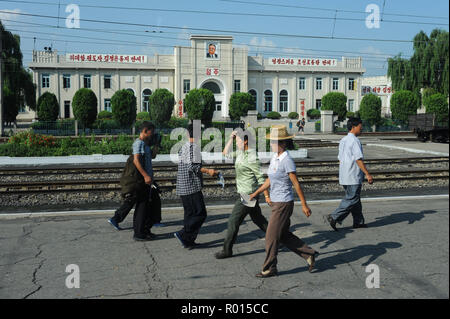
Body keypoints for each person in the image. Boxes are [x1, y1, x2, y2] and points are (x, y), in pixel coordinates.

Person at [250, 125, 318, 277]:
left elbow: (296, 184)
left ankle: (269, 268)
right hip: (276, 203)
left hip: (284, 204)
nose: (271, 144)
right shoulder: (275, 157)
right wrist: (257, 192)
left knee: (271, 237)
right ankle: (309, 254)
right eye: (272, 141)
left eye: (274, 141)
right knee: (283, 235)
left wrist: (304, 205)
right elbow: (270, 179)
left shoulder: (287, 160)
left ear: (283, 143)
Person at [214, 129, 271, 259]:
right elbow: (225, 153)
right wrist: (231, 138)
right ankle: (279, 239)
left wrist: (267, 196)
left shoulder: (252, 157)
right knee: (259, 220)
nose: (237, 143)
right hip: (244, 193)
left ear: (245, 141)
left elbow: (262, 179)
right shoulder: (240, 153)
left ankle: (227, 250)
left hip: (248, 195)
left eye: (239, 140)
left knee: (233, 221)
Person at [108, 121, 158, 241]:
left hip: (147, 181)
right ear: (145, 131)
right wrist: (146, 176)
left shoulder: (145, 144)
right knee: (141, 207)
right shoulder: (138, 143)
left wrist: (156, 145)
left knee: (147, 207)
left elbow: (152, 156)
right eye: (151, 132)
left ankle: (145, 231)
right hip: (141, 180)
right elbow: (136, 161)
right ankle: (139, 233)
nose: (153, 134)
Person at [174, 123, 220, 249]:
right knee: (200, 213)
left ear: (188, 133)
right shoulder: (192, 147)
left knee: (190, 214)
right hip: (191, 187)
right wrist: (209, 171)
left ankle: (188, 241)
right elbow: (192, 167)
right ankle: (183, 234)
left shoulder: (185, 146)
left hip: (184, 186)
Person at [325, 117, 373, 231]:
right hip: (353, 175)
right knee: (352, 199)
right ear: (353, 127)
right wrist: (367, 173)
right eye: (360, 127)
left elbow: (340, 159)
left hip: (345, 175)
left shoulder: (343, 140)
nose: (361, 130)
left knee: (355, 198)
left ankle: (358, 221)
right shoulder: (355, 141)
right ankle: (334, 216)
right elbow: (358, 159)